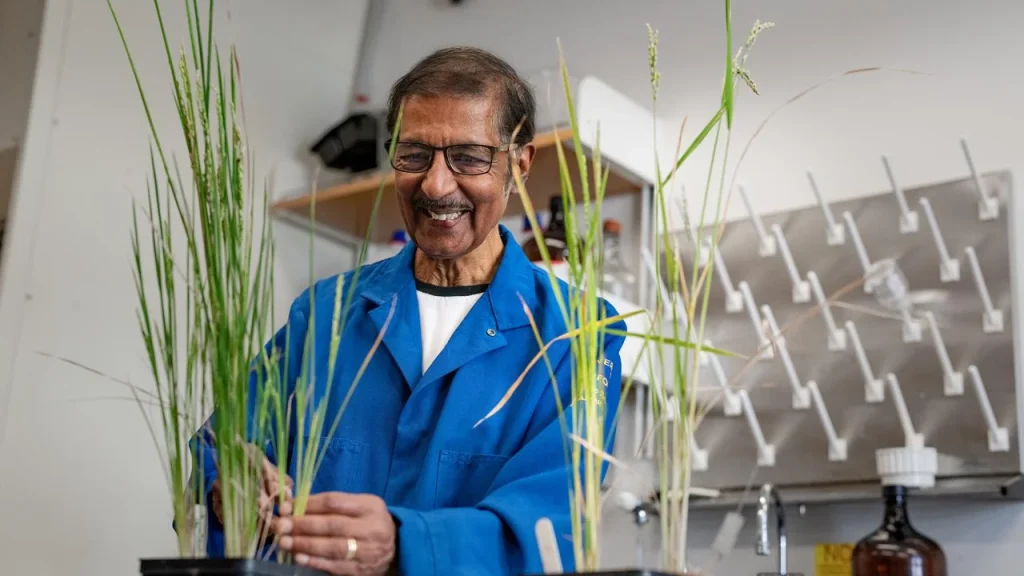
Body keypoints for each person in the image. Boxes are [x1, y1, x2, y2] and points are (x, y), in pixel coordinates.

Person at [189, 46, 625, 575]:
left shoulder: (577, 337)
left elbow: (556, 521)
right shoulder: (325, 315)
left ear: (520, 163)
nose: (436, 185)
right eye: (414, 154)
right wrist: (227, 488)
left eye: (469, 157)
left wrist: (404, 544)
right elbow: (222, 449)